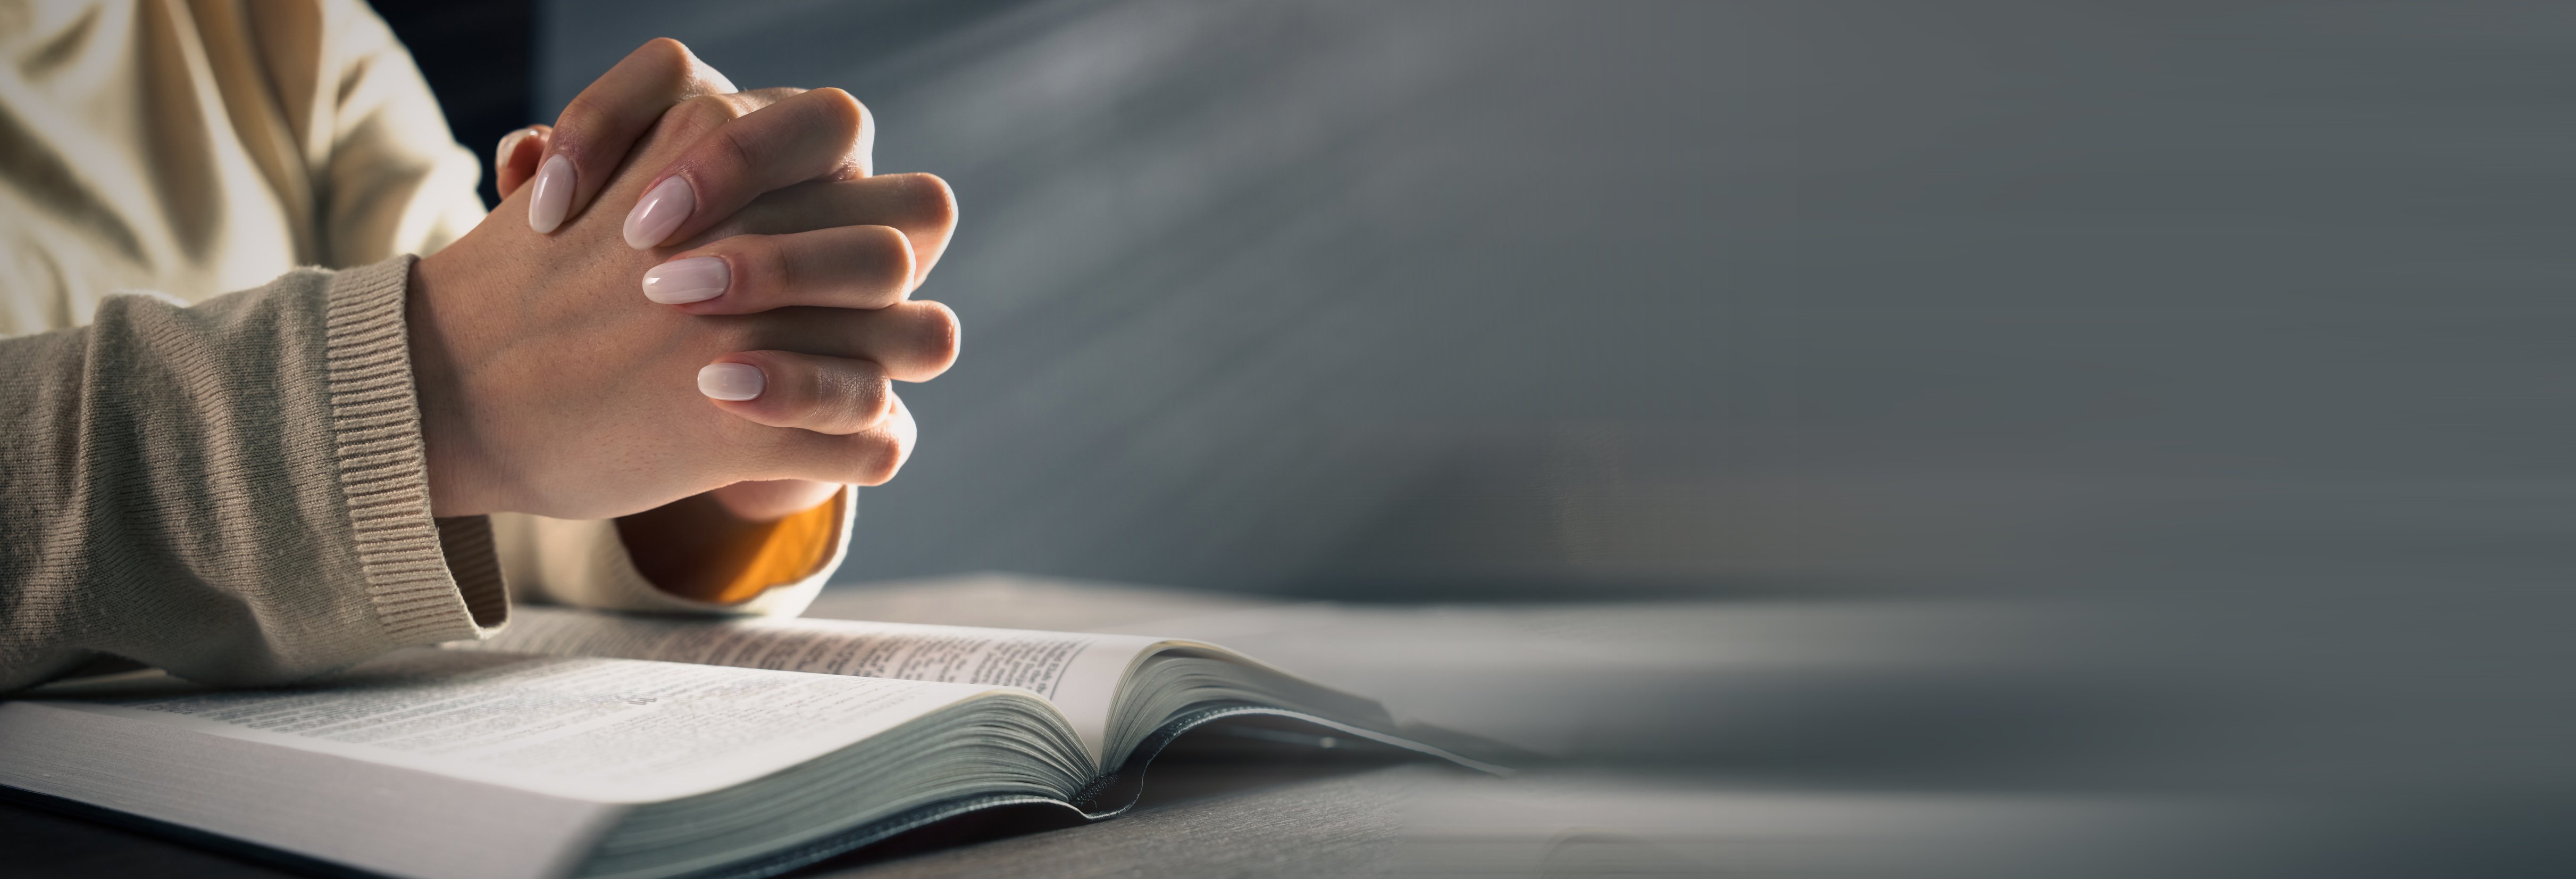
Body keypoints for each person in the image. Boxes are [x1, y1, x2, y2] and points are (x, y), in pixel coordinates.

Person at [0, 0, 960, 691]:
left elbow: (482, 490)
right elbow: (463, 396)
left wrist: (720, 445)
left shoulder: (292, 34)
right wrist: (428, 389)